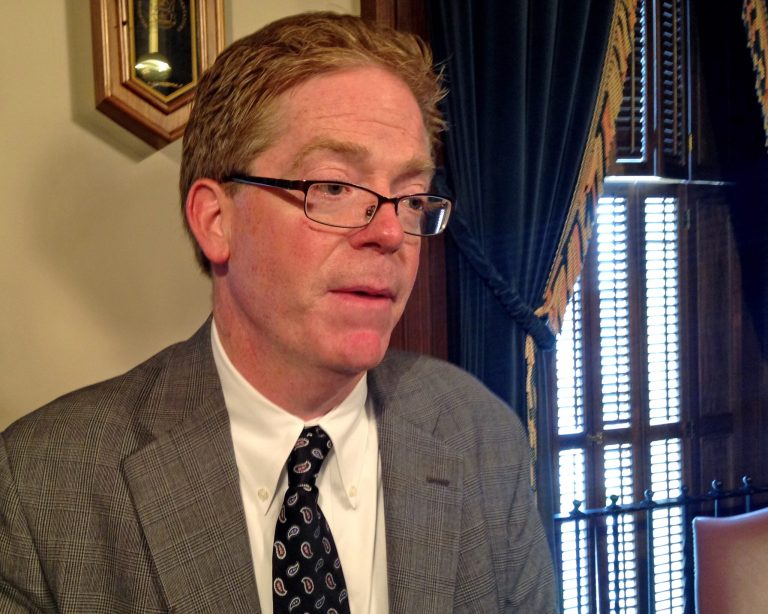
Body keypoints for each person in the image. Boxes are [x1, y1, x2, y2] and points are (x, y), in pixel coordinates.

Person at [0, 11, 556, 614]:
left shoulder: (482, 436)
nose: (393, 233)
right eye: (335, 187)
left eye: (413, 196)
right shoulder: (40, 487)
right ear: (218, 221)